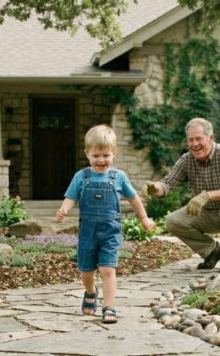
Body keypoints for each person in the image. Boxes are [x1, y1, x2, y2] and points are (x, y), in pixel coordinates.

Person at [56, 125, 156, 324]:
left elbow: (134, 198)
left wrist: (144, 218)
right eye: (96, 155)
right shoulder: (81, 177)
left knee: (107, 269)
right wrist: (64, 209)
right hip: (88, 232)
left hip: (111, 231)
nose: (101, 160)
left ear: (114, 153)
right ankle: (90, 292)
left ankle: (109, 306)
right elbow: (71, 197)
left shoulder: (118, 177)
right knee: (86, 271)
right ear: (87, 154)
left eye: (105, 155)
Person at [144, 118, 220, 272]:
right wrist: (155, 188)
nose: (194, 144)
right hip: (208, 214)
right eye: (191, 140)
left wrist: (206, 196)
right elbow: (168, 183)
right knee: (173, 221)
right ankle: (212, 251)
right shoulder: (187, 160)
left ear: (210, 138)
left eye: (198, 139)